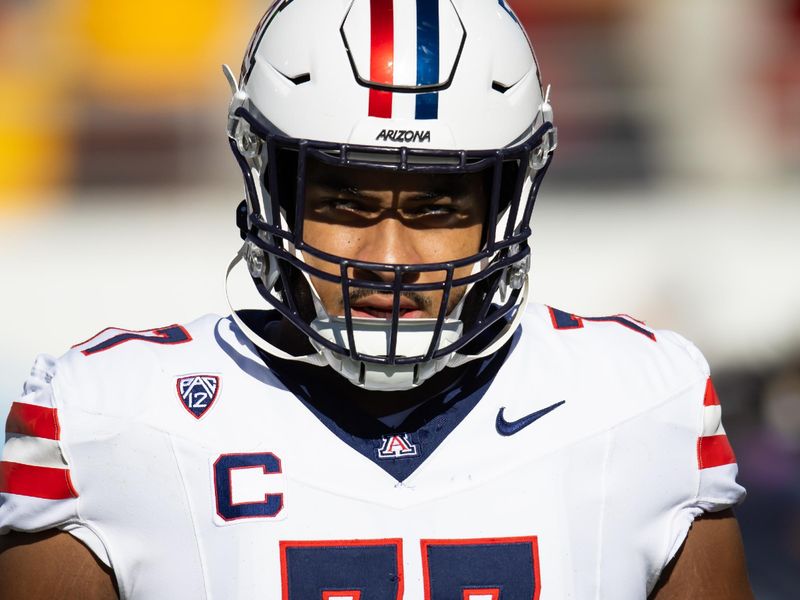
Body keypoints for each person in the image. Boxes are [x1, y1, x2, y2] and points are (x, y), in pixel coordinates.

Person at [0, 0, 751, 598]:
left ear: (509, 198)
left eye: (437, 209)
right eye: (347, 202)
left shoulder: (644, 405)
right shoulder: (106, 415)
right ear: (271, 188)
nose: (388, 261)